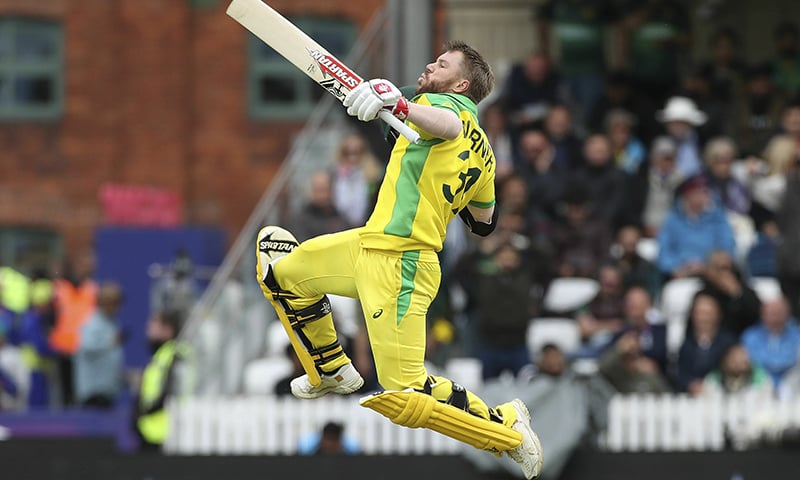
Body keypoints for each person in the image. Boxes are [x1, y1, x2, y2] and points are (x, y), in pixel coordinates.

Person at [255, 41, 542, 479]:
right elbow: (484, 223)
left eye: (442, 64)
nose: (430, 64)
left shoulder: (448, 109)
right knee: (279, 267)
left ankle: (507, 430)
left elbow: (447, 124)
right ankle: (331, 369)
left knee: (405, 394)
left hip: (403, 264)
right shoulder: (485, 153)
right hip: (369, 244)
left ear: (462, 84)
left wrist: (403, 104)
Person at [656, 174, 736, 280]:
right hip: (682, 272)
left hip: (712, 272)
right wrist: (677, 267)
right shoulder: (672, 220)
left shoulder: (717, 217)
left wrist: (709, 263)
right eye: (701, 192)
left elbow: (727, 243)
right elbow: (664, 251)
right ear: (688, 194)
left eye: (706, 191)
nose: (706, 196)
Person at [134, 310, 188, 450]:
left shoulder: (176, 355)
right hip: (150, 431)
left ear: (168, 329)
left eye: (153, 327)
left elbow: (170, 392)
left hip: (166, 433)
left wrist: (146, 410)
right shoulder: (160, 355)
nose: (148, 331)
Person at [74, 281, 124, 408]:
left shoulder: (110, 323)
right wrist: (108, 343)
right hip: (93, 394)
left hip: (107, 392)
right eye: (113, 303)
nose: (116, 308)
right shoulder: (93, 323)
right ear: (103, 303)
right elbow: (85, 347)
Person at [675, 293, 736, 396]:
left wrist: (709, 385)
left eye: (707, 313)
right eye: (700, 313)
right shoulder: (686, 343)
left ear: (717, 315)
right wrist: (690, 384)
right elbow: (680, 372)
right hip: (690, 397)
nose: (703, 318)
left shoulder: (728, 342)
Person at [741, 296, 800, 390]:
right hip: (757, 386)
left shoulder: (797, 335)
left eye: (779, 312)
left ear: (788, 313)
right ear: (762, 314)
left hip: (793, 385)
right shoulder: (750, 336)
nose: (776, 316)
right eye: (772, 313)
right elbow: (749, 363)